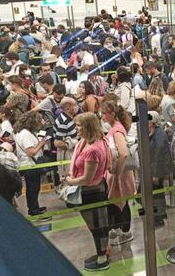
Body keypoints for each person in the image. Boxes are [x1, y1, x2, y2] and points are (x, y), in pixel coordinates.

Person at [64, 112, 110, 271]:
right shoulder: (95, 141)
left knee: (97, 225)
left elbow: (86, 179)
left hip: (91, 191)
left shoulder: (92, 150)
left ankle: (102, 257)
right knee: (97, 224)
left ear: (88, 127)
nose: (76, 128)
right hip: (94, 188)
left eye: (79, 126)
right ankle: (101, 253)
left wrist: (69, 181)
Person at [101, 100, 135, 246]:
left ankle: (125, 231)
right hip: (116, 172)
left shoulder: (117, 129)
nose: (102, 116)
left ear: (111, 114)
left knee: (121, 202)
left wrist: (117, 173)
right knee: (116, 202)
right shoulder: (114, 128)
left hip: (119, 174)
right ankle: (118, 228)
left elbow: (123, 153)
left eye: (104, 113)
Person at [14, 110, 49, 218]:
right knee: (33, 188)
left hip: (28, 164)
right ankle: (33, 209)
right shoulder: (26, 134)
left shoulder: (22, 132)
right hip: (29, 165)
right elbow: (31, 152)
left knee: (32, 188)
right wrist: (41, 143)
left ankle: (34, 207)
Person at [147, 111, 170, 228]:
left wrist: (156, 174)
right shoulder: (152, 132)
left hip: (157, 170)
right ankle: (157, 213)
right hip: (152, 169)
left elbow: (159, 155)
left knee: (157, 193)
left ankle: (159, 216)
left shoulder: (159, 135)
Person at [54, 97, 79, 179]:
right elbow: (58, 143)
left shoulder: (69, 117)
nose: (77, 106)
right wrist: (75, 143)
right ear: (68, 108)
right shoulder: (63, 122)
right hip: (67, 155)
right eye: (75, 105)